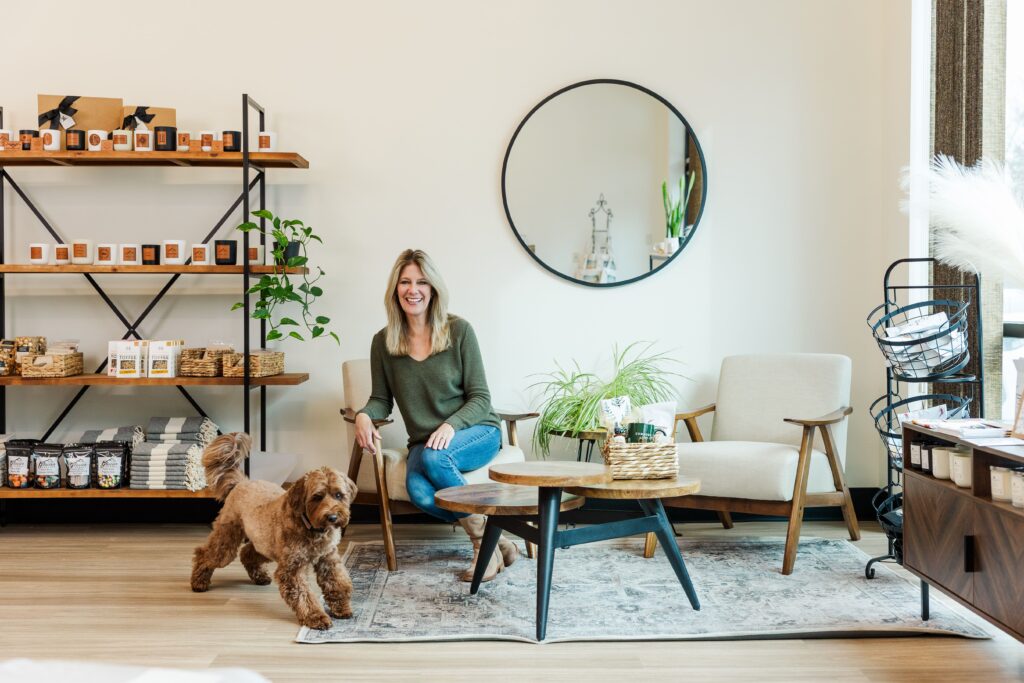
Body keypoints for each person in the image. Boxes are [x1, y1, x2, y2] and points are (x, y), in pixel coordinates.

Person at [354, 249, 516, 582]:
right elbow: (380, 400)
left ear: (433, 289)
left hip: (476, 431)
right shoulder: (383, 343)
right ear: (395, 289)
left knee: (433, 458)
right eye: (405, 282)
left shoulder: (459, 331)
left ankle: (482, 549)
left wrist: (449, 425)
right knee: (421, 493)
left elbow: (481, 397)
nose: (413, 290)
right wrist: (363, 416)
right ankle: (499, 540)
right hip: (426, 443)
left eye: (421, 282)